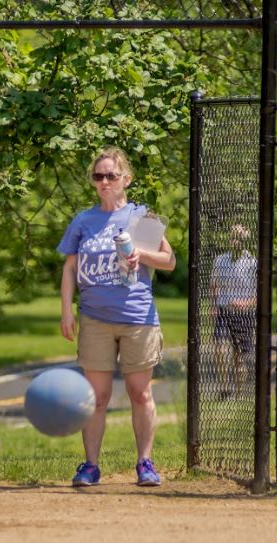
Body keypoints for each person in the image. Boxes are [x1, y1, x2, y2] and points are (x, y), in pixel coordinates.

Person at [58, 147, 177, 487]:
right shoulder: (84, 221)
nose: (105, 181)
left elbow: (168, 261)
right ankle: (91, 466)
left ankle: (145, 463)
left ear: (126, 179)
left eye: (111, 175)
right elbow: (70, 268)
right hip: (95, 317)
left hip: (137, 315)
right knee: (96, 397)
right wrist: (66, 309)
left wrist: (141, 254)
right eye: (99, 176)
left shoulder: (142, 217)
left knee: (140, 394)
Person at [211, 223, 257, 399]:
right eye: (232, 237)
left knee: (240, 356)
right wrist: (214, 305)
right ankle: (224, 388)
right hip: (224, 310)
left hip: (244, 313)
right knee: (220, 348)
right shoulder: (220, 260)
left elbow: (258, 294)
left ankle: (239, 393)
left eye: (239, 238)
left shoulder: (252, 263)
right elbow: (214, 285)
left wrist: (245, 303)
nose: (235, 241)